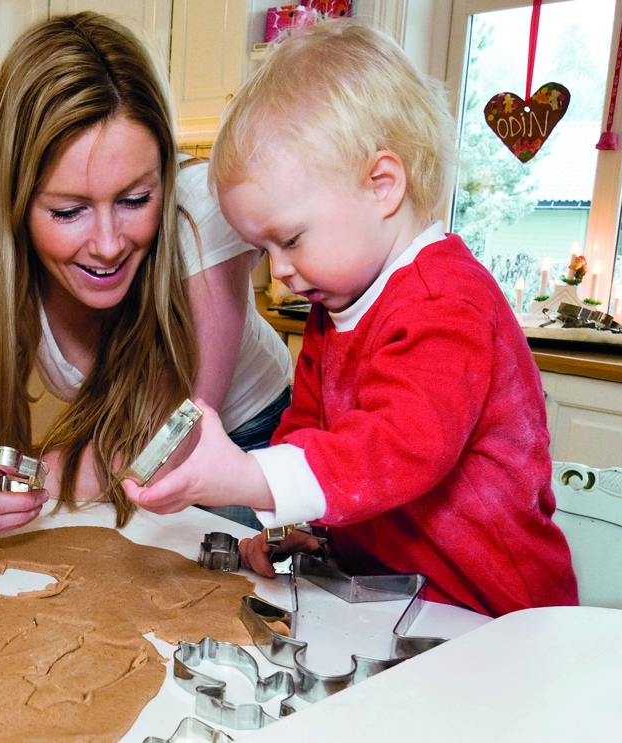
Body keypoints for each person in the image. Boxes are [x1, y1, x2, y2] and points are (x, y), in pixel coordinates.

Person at [125, 20, 578, 616]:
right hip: (393, 597)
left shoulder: (445, 301)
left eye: (289, 239)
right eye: (264, 250)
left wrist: (244, 478)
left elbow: (393, 451)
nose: (278, 270)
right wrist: (289, 519)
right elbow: (308, 427)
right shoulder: (335, 303)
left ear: (381, 186)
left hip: (496, 612)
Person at [0, 12, 292, 536]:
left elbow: (172, 436)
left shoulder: (199, 211)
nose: (110, 245)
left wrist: (27, 482)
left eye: (136, 199)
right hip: (114, 468)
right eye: (69, 212)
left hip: (251, 444)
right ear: (16, 203)